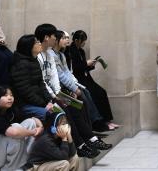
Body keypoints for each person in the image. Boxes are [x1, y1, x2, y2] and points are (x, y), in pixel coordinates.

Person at [33, 25, 110, 157]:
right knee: (67, 109)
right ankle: (80, 145)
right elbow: (43, 81)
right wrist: (56, 96)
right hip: (47, 97)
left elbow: (56, 76)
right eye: (55, 36)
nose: (56, 38)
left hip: (57, 93)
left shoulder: (50, 54)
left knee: (76, 104)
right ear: (47, 37)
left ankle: (90, 138)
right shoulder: (40, 56)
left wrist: (62, 93)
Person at [54, 31, 117, 131]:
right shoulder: (64, 52)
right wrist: (74, 87)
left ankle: (103, 121)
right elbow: (65, 74)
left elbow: (67, 72)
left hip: (79, 79)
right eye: (64, 38)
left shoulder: (64, 54)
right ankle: (94, 125)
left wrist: (90, 66)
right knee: (85, 96)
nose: (67, 40)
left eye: (67, 38)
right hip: (70, 84)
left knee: (99, 92)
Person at [0, 86, 42, 171]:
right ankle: (10, 169)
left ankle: (23, 162)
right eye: (5, 95)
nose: (10, 98)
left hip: (0, 154)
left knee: (30, 122)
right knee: (15, 129)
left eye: (11, 95)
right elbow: (14, 132)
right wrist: (34, 132)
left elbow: (33, 119)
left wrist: (40, 127)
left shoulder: (10, 112)